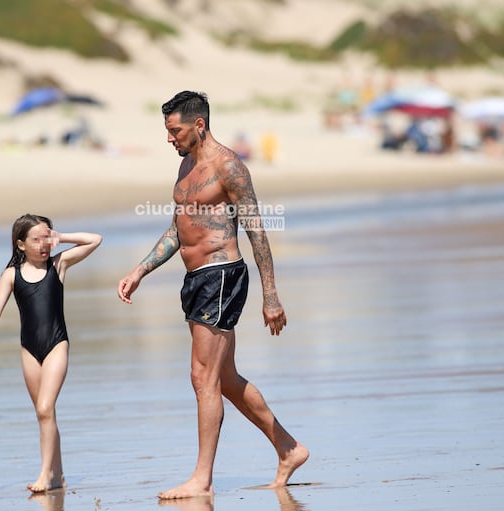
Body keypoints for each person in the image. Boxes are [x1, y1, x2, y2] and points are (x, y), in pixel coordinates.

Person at [117, 91, 308, 499]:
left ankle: (201, 479)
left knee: (202, 377)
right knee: (223, 378)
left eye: (175, 130)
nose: (170, 138)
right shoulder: (186, 165)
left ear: (198, 125)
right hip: (195, 280)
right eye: (168, 131)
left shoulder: (229, 167)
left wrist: (270, 295)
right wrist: (140, 270)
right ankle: (288, 448)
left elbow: (256, 228)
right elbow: (178, 228)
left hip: (221, 275)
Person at [0, 214, 102, 493]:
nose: (44, 244)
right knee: (44, 413)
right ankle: (58, 476)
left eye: (48, 237)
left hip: (57, 344)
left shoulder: (59, 265)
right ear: (21, 244)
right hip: (29, 350)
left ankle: (45, 475)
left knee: (45, 409)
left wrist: (62, 237)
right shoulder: (12, 275)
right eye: (37, 239)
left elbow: (95, 239)